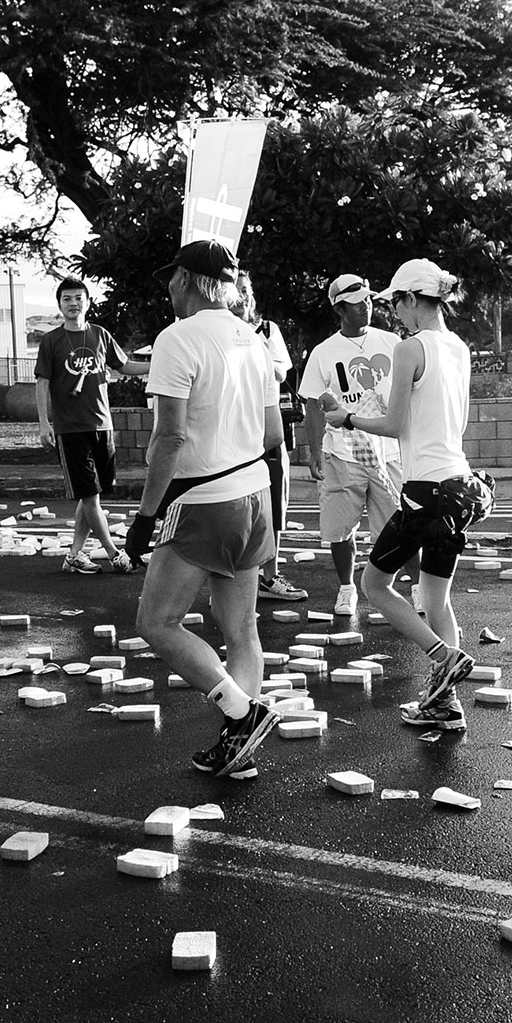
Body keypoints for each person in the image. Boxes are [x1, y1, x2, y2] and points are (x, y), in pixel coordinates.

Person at [122, 241, 282, 780]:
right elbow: (273, 433)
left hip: (202, 501)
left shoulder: (177, 338)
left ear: (189, 280)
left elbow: (169, 436)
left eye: (172, 278)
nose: (167, 287)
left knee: (156, 621)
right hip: (256, 495)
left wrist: (145, 519)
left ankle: (242, 712)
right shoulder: (254, 340)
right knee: (242, 631)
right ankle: (240, 751)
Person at [319, 259, 491, 735]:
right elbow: (454, 424)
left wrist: (347, 420)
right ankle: (444, 704)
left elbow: (396, 427)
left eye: (396, 302)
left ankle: (445, 657)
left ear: (413, 299)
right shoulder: (459, 347)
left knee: (375, 586)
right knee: (435, 599)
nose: (394, 312)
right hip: (459, 485)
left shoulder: (409, 347)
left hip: (425, 489)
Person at [301, 273, 414, 618]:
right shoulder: (323, 352)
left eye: (367, 300)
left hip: (388, 450)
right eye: (357, 302)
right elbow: (311, 404)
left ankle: (416, 589)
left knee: (403, 522)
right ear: (339, 308)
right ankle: (346, 588)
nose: (366, 306)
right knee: (340, 527)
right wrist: (314, 451)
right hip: (343, 451)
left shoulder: (393, 341)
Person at [33, 277, 150, 575]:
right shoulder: (51, 341)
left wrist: (159, 362)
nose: (73, 303)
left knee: (92, 494)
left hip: (102, 425)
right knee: (90, 495)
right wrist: (44, 424)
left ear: (87, 301)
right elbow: (42, 383)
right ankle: (114, 554)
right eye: (67, 299)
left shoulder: (99, 334)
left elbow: (123, 366)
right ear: (60, 305)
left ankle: (74, 554)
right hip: (70, 429)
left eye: (78, 298)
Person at [234, 269, 305, 601]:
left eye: (247, 290)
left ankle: (270, 576)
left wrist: (251, 345)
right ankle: (230, 580)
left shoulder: (267, 330)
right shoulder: (214, 332)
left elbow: (280, 370)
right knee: (233, 505)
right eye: (237, 291)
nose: (244, 296)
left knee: (273, 503)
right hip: (232, 431)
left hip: (267, 428)